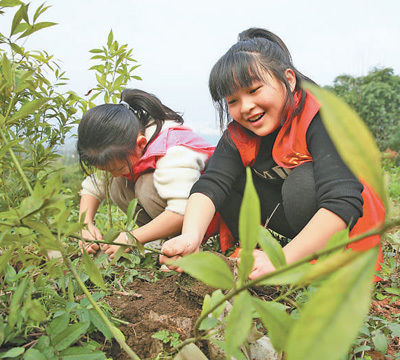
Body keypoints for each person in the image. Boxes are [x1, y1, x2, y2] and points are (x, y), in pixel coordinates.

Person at [159, 28, 384, 279]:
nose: (246, 107)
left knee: (302, 184)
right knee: (229, 180)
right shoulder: (238, 135)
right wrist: (191, 237)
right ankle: (254, 252)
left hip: (347, 224)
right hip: (293, 222)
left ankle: (303, 258)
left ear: (288, 79)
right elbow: (210, 184)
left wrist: (282, 261)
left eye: (254, 90)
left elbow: (343, 200)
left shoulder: (321, 116)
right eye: (232, 101)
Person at [77, 89, 215, 258]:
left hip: (205, 221)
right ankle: (160, 239)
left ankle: (194, 242)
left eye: (118, 168)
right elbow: (93, 187)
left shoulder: (173, 149)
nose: (112, 174)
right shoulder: (121, 144)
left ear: (140, 143)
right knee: (117, 185)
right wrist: (85, 225)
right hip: (177, 211)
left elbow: (182, 210)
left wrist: (131, 238)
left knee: (146, 186)